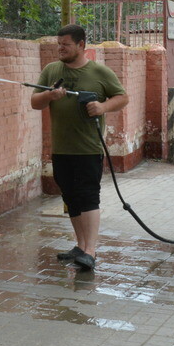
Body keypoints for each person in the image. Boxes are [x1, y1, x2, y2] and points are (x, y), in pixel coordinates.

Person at [30, 25, 128, 271]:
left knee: (88, 197)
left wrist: (102, 107)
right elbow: (35, 102)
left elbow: (122, 97)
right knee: (70, 197)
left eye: (66, 44)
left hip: (88, 148)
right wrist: (49, 96)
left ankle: (90, 251)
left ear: (81, 45)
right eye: (58, 44)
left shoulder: (99, 72)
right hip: (62, 148)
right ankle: (81, 246)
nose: (60, 49)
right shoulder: (51, 70)